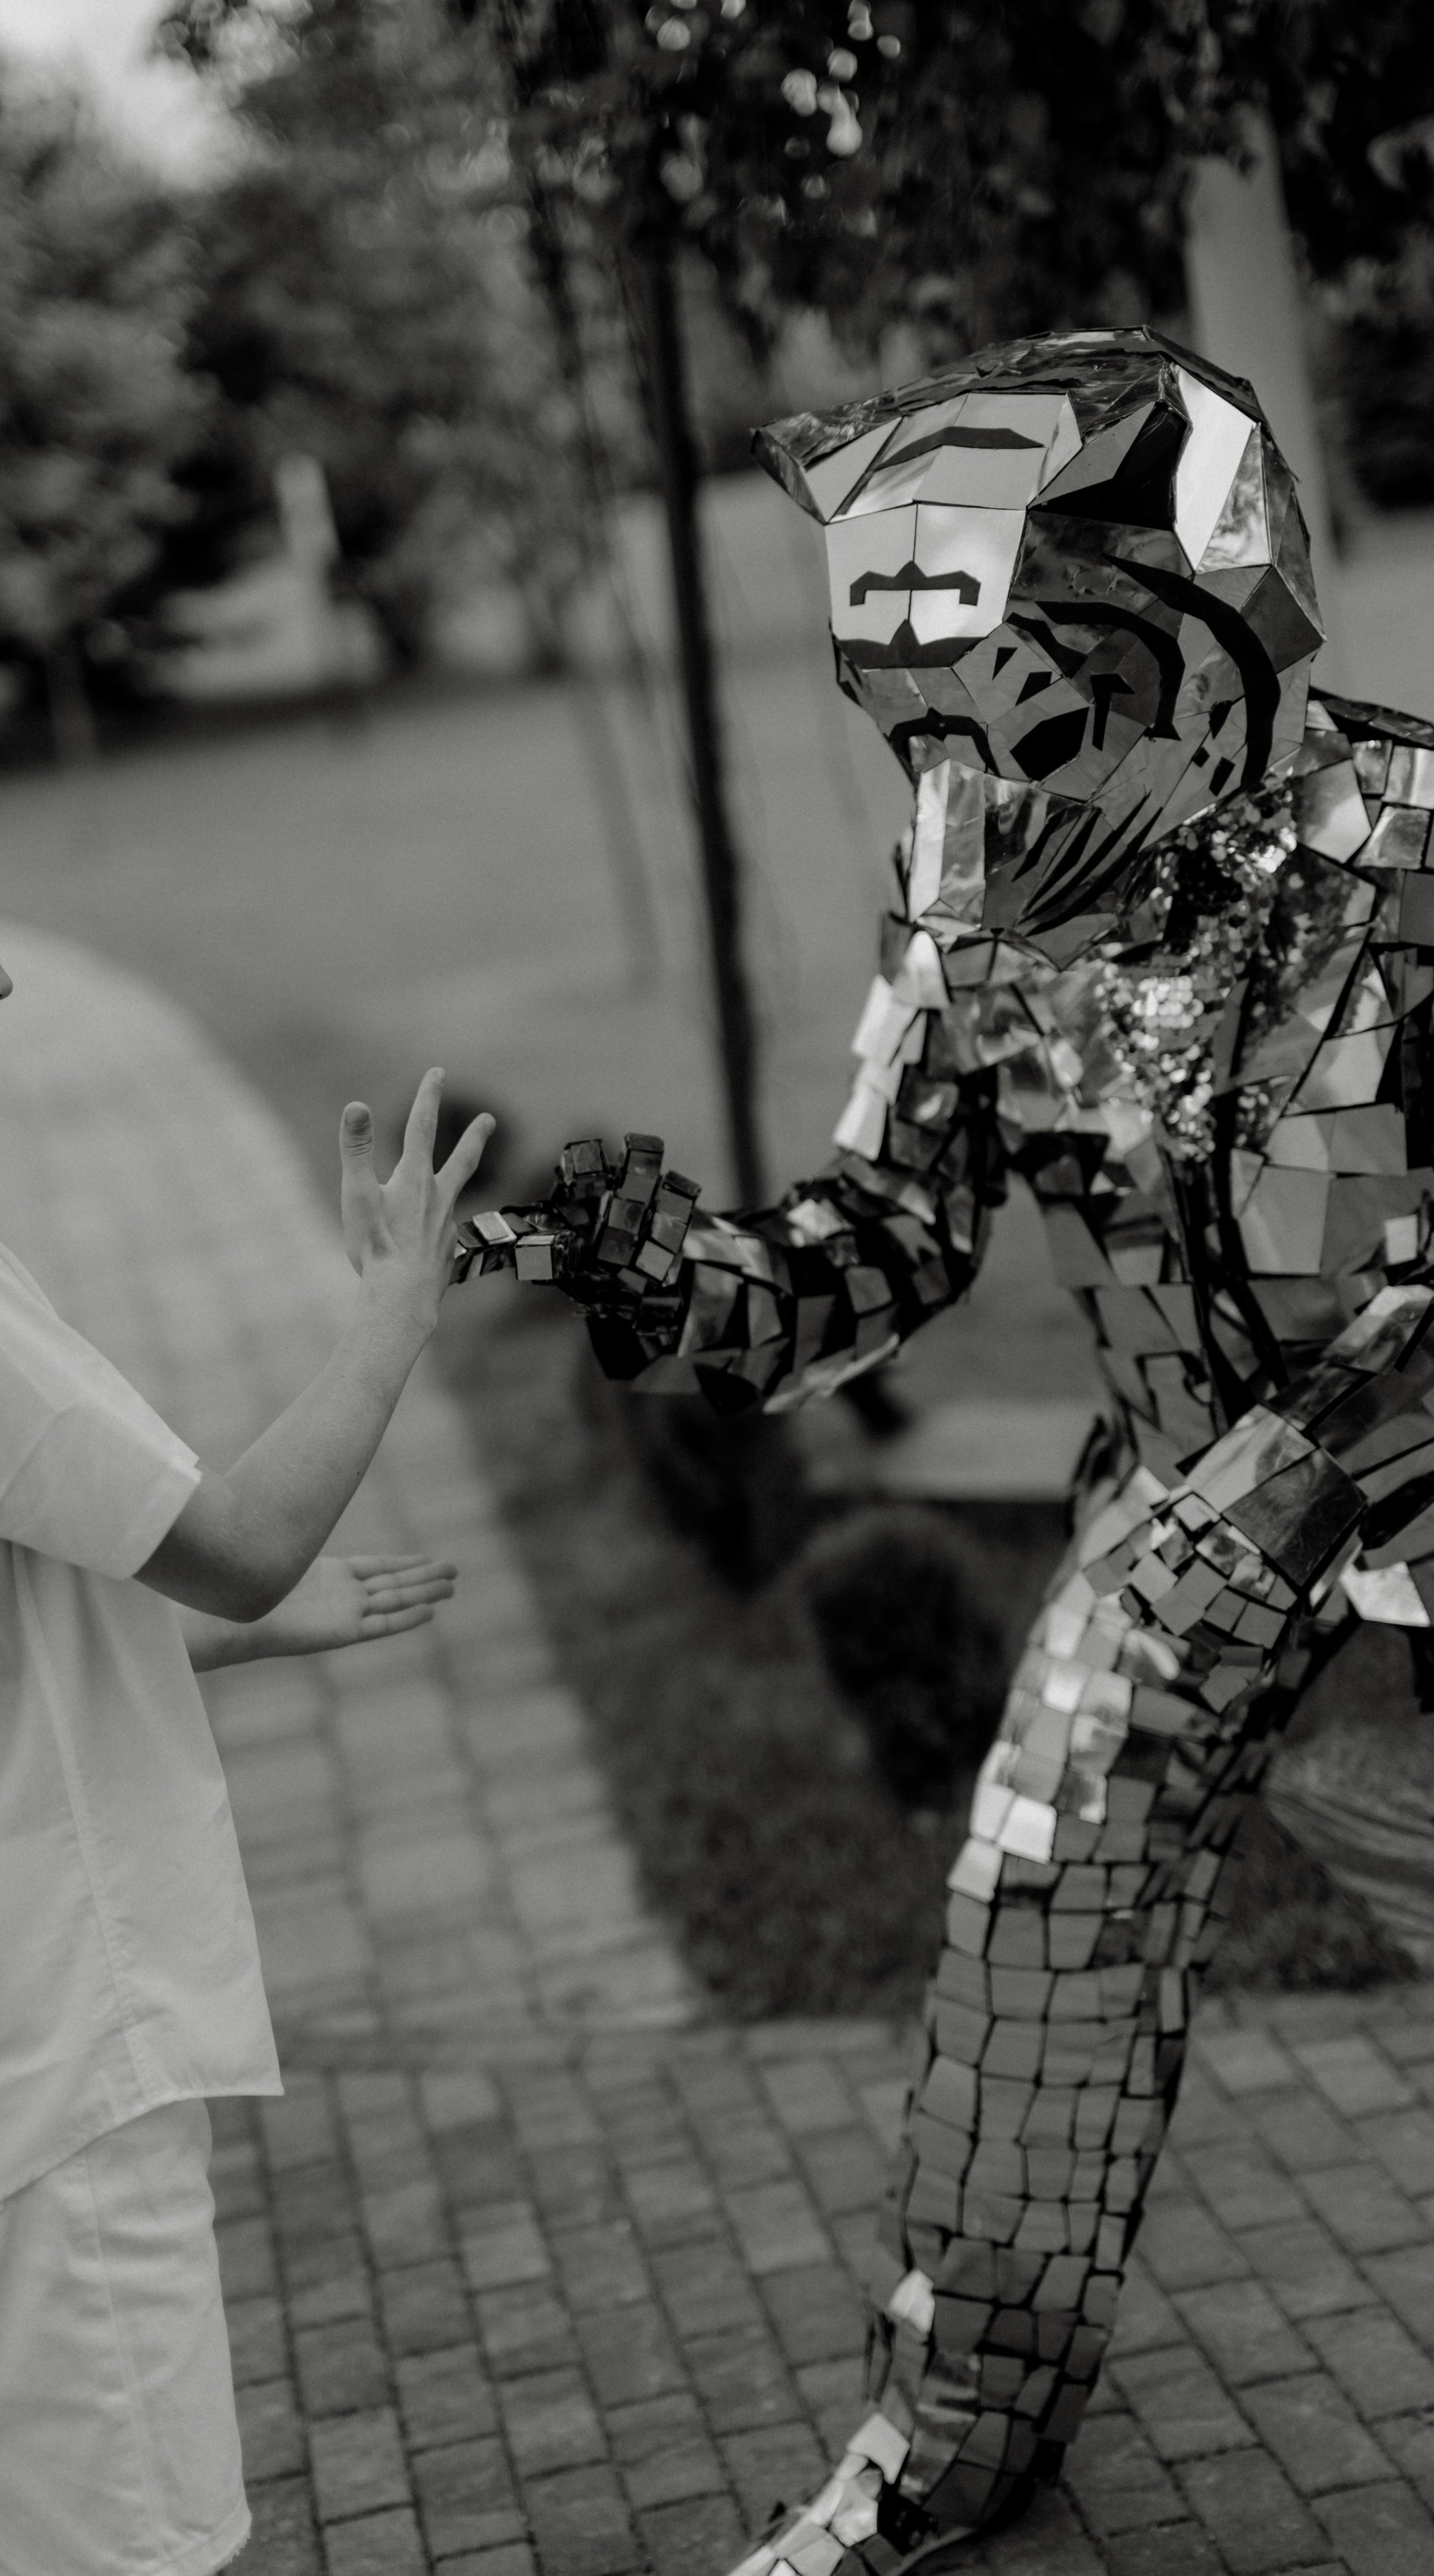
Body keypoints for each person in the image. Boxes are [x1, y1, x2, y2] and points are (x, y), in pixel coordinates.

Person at [455, 326, 1434, 2570]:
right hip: (1172, 1545)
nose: (964, 810)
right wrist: (660, 1273)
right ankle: (953, 2437)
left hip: (1374, 1540)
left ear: (1208, 655)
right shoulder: (978, 911)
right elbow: (886, 1243)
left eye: (1020, 724)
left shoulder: (1417, 861)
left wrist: (1279, 1498)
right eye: (913, 737)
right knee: (1033, 1948)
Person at [0, 707, 490, 2576]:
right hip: (29, 2076)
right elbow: (240, 1542)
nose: (3, 984)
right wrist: (398, 1300)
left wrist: (217, 1651)